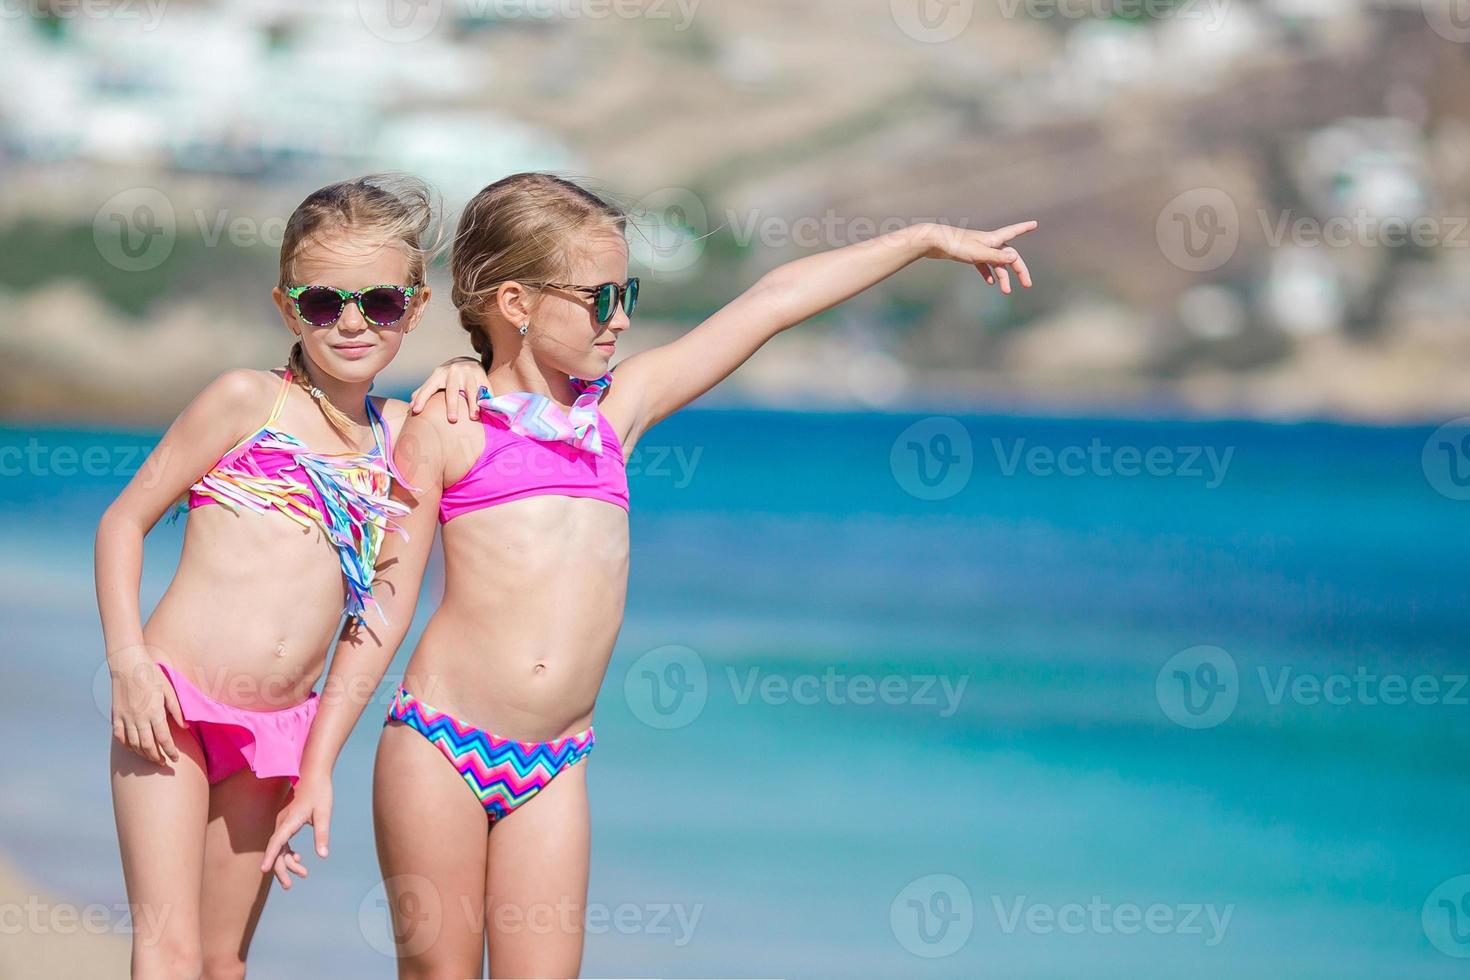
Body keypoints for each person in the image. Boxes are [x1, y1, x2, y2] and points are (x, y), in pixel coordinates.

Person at [263, 171, 1035, 977]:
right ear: (519, 305)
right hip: (438, 750)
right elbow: (381, 606)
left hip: (554, 766)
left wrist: (920, 241)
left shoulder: (615, 413)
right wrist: (316, 768)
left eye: (624, 291)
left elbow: (771, 301)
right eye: (599, 298)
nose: (621, 317)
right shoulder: (448, 425)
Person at [96, 174, 451, 978]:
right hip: (171, 703)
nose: (353, 322)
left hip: (278, 733)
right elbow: (122, 522)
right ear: (288, 306)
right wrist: (126, 666)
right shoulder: (243, 403)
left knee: (224, 960)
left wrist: (320, 762)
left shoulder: (405, 443)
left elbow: (380, 617)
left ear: (415, 309)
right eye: (325, 303)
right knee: (169, 947)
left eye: (382, 304)